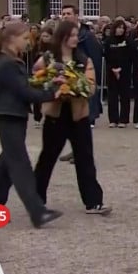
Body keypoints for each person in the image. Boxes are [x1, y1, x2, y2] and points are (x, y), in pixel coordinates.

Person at [0, 22, 63, 228]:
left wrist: (50, 84)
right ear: (11, 39)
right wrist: (52, 93)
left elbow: (25, 86)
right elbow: (24, 91)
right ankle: (37, 211)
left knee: (7, 163)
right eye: (25, 38)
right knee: (20, 164)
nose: (28, 42)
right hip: (8, 115)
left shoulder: (10, 61)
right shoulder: (6, 63)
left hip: (12, 114)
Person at [33, 20, 112, 215]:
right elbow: (36, 80)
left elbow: (91, 87)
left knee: (85, 157)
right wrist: (53, 85)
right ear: (63, 37)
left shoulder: (84, 60)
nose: (77, 38)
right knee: (48, 158)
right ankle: (35, 200)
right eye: (74, 35)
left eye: (77, 35)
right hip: (55, 114)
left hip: (79, 115)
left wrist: (75, 85)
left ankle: (93, 201)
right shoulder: (47, 59)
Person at [103, 19, 133, 128]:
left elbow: (129, 57)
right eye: (118, 27)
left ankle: (123, 119)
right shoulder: (109, 41)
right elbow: (107, 56)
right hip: (111, 71)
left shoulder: (128, 41)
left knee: (125, 95)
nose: (120, 30)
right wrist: (113, 69)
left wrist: (121, 69)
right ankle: (113, 119)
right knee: (112, 96)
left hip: (124, 71)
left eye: (122, 28)